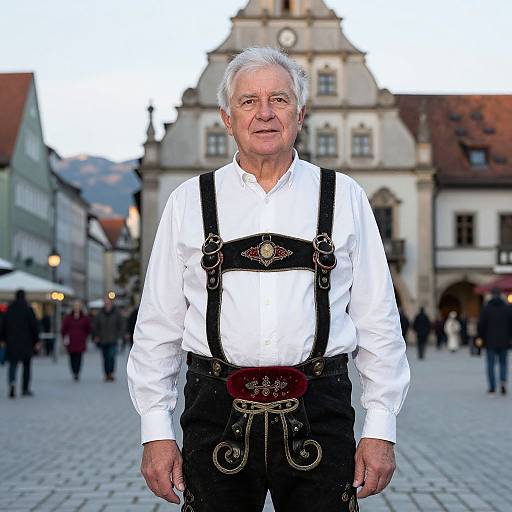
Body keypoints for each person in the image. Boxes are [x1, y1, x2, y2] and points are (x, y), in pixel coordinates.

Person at [127, 47, 410, 511]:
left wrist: (381, 428)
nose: (264, 113)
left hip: (320, 412)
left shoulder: (344, 197)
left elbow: (378, 321)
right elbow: (158, 326)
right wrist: (155, 431)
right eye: (248, 101)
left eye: (278, 100)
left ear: (300, 113)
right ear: (226, 117)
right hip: (213, 414)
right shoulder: (188, 202)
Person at [0, 289, 40, 398]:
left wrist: (2, 339)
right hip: (26, 343)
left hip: (12, 342)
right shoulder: (28, 309)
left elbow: (3, 326)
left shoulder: (9, 309)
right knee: (26, 366)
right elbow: (34, 327)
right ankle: (25, 388)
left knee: (12, 365)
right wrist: (36, 341)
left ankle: (12, 383)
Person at [478, 287, 512, 396]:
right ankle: (502, 382)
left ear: (492, 295)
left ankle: (492, 387)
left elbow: (481, 325)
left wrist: (481, 337)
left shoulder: (486, 308)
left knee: (491, 365)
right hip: (504, 340)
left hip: (490, 341)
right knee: (503, 363)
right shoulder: (507, 308)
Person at [92, 295, 124, 381]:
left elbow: (121, 324)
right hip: (103, 339)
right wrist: (96, 335)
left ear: (111, 302)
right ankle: (106, 373)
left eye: (108, 301)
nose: (107, 303)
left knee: (111, 356)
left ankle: (111, 373)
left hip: (113, 339)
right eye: (105, 301)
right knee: (105, 357)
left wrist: (119, 335)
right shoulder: (100, 313)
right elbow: (95, 325)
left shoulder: (116, 313)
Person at [61, 300, 91, 381]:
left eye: (78, 306)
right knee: (72, 357)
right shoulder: (68, 317)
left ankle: (77, 372)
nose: (77, 307)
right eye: (75, 306)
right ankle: (74, 371)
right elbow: (63, 329)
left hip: (80, 341)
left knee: (79, 357)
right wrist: (65, 336)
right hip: (71, 341)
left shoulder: (84, 317)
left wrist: (85, 336)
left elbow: (88, 329)